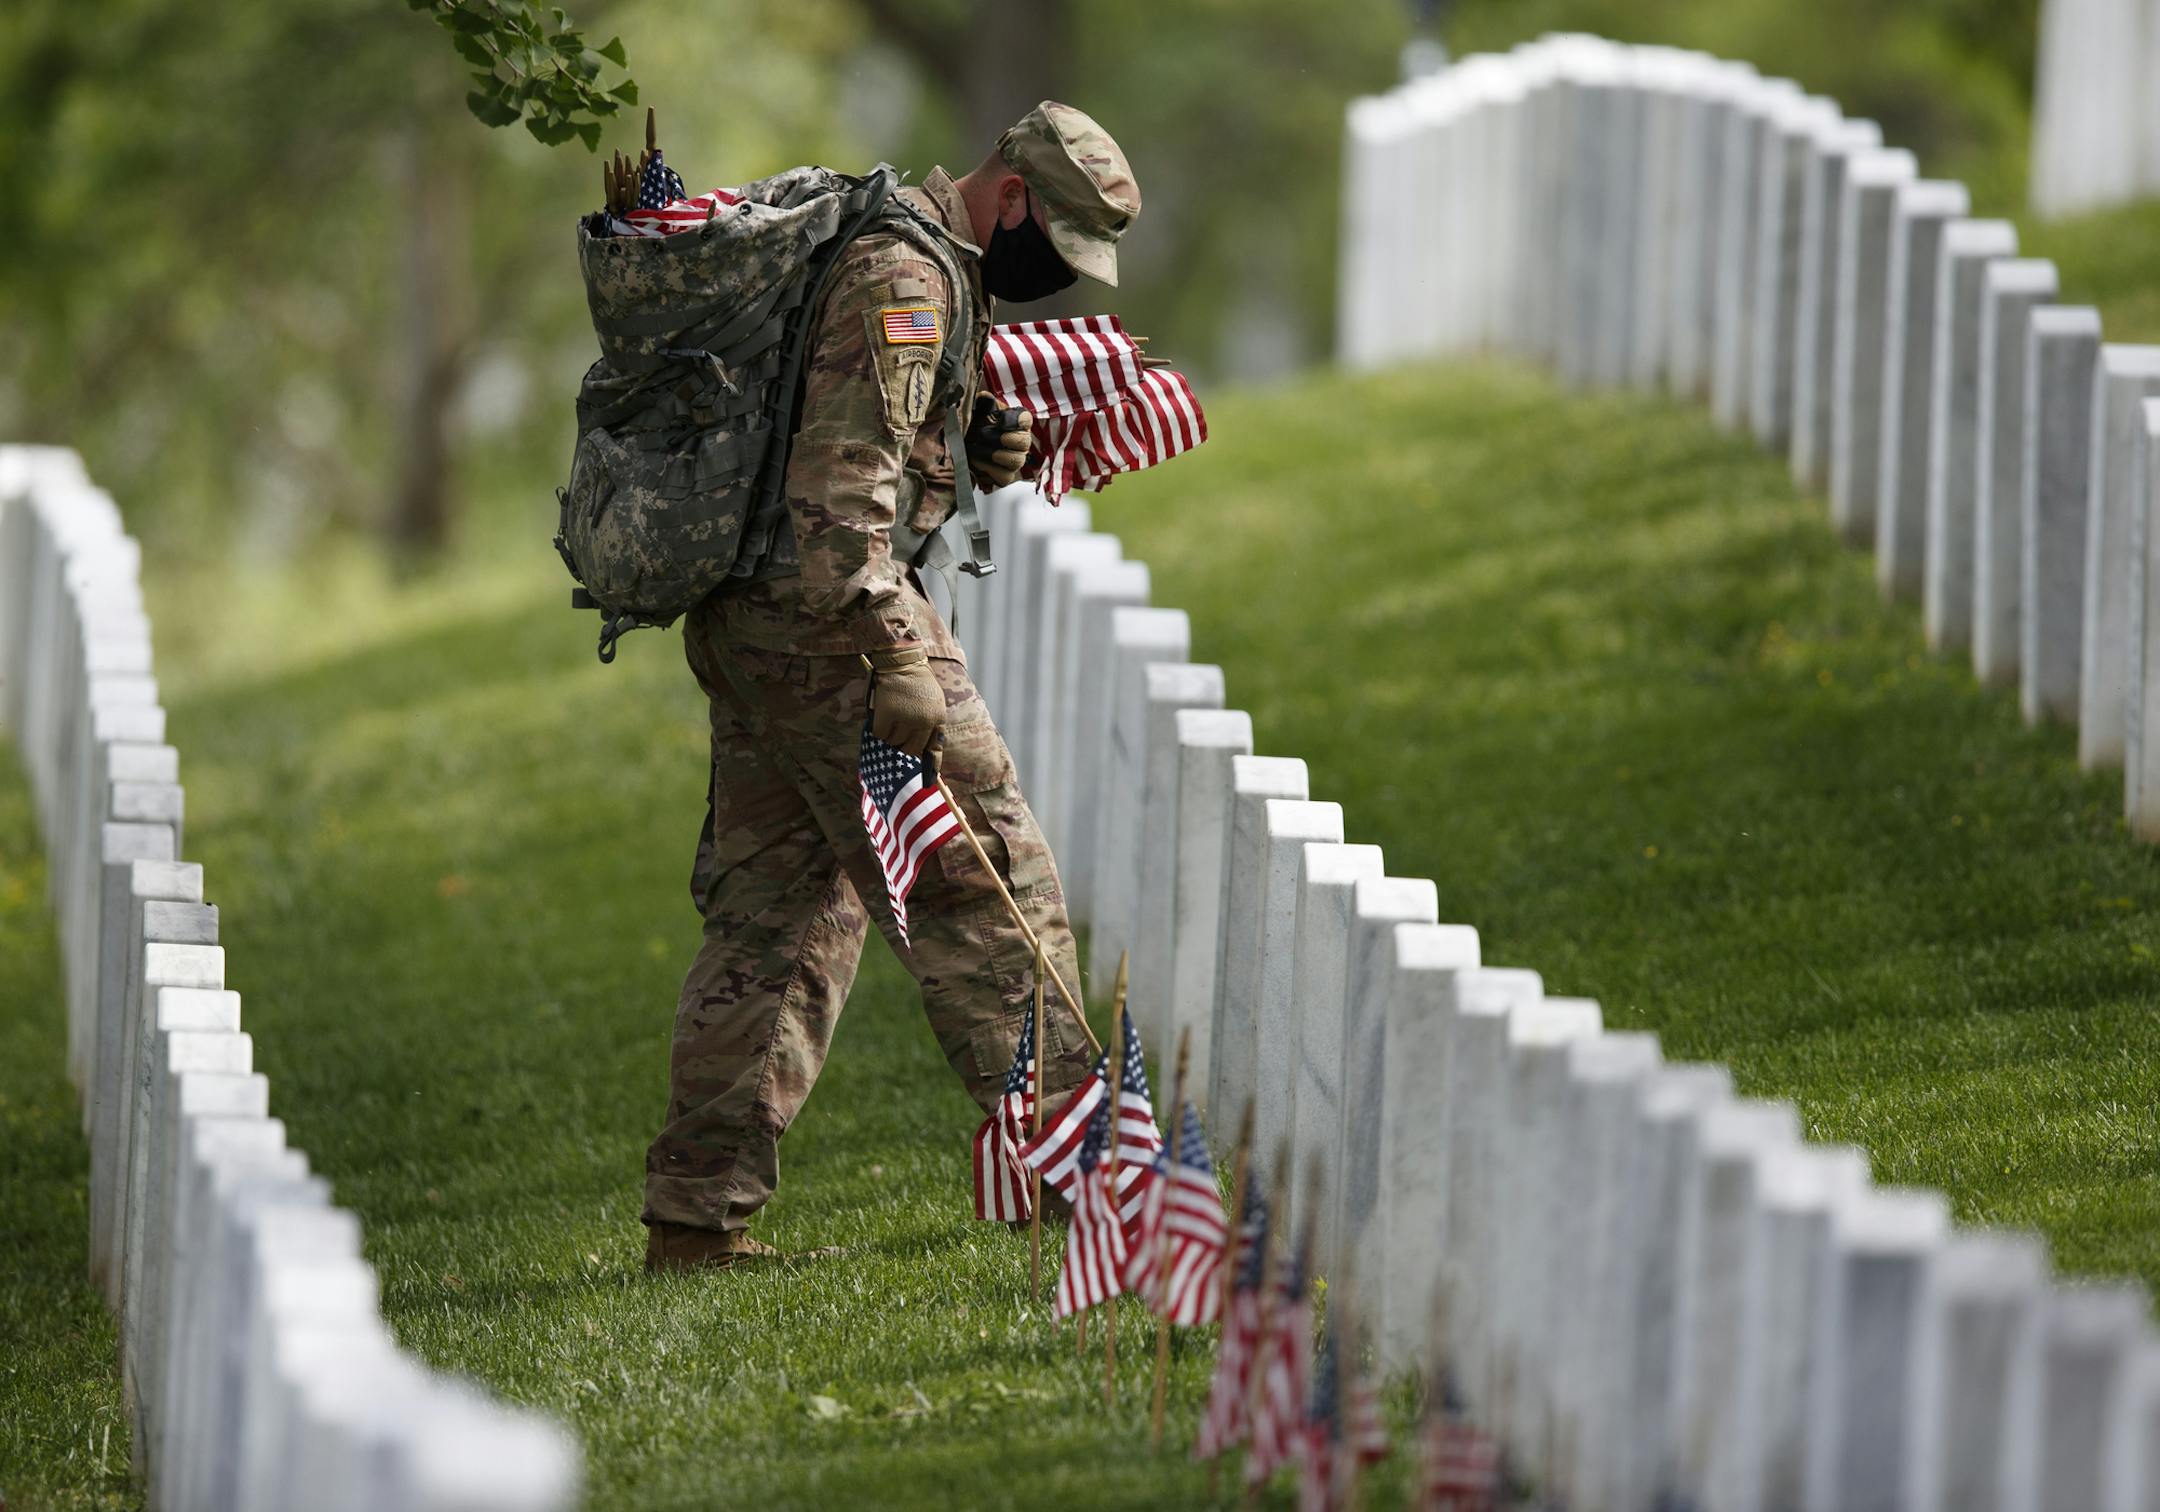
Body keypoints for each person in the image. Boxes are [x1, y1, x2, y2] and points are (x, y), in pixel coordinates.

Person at [642, 103, 1144, 1272]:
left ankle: (695, 1219)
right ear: (1012, 195)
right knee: (988, 878)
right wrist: (896, 654)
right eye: (1058, 248)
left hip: (762, 622)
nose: (1059, 282)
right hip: (835, 627)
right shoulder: (903, 278)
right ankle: (1096, 1190)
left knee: (777, 922)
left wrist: (968, 448)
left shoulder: (915, 257)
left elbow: (858, 443)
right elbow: (835, 496)